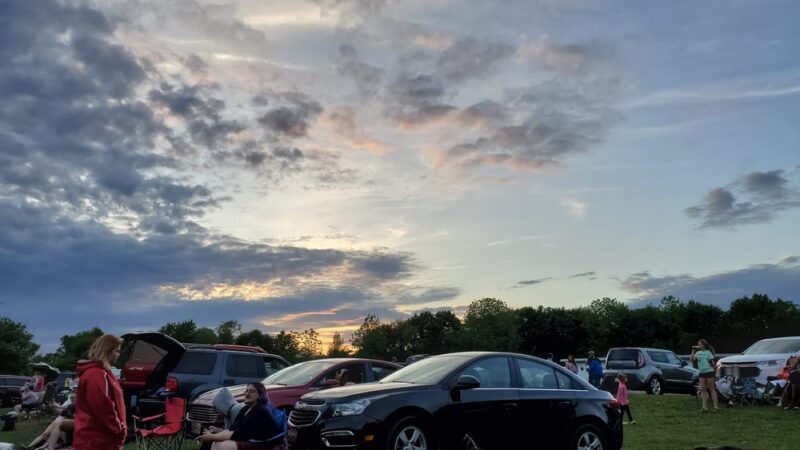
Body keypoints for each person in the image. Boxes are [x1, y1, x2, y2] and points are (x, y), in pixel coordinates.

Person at [73, 334, 126, 450]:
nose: (118, 354)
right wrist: (119, 429)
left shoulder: (101, 372)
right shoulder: (96, 374)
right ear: (107, 350)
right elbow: (103, 406)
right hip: (98, 441)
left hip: (97, 439)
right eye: (116, 351)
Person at [197, 382, 284, 450]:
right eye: (246, 390)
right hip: (251, 440)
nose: (247, 393)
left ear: (260, 395)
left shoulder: (260, 411)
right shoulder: (245, 409)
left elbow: (238, 434)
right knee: (217, 441)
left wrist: (212, 437)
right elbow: (234, 429)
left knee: (224, 446)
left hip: (266, 445)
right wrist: (217, 431)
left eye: (252, 391)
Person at [691, 338, 719, 412]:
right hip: (702, 372)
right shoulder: (698, 353)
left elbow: (713, 363)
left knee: (712, 389)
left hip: (709, 372)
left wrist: (712, 365)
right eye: (698, 344)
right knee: (703, 390)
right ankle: (704, 407)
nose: (698, 345)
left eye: (699, 344)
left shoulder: (708, 353)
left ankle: (715, 407)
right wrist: (693, 351)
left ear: (703, 345)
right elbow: (692, 359)